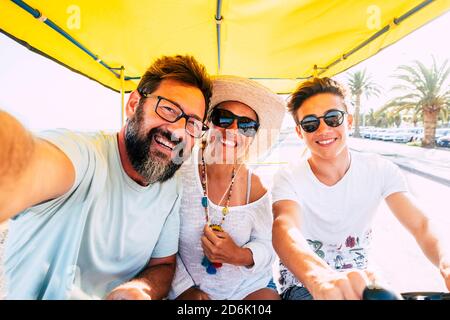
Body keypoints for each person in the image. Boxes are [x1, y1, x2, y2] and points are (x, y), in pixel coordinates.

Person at [0, 55, 212, 300]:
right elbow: (24, 163)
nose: (177, 131)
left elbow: (163, 265)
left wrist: (138, 290)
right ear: (133, 104)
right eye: (168, 109)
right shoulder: (86, 156)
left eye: (193, 124)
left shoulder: (171, 185)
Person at [271, 77, 450, 300]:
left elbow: (421, 224)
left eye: (333, 118)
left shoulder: (379, 169)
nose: (324, 129)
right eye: (310, 123)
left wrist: (445, 259)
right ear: (300, 132)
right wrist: (319, 277)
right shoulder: (288, 177)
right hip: (305, 283)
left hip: (364, 279)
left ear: (349, 121)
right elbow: (285, 228)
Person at [168, 75, 285, 300]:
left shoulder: (255, 186)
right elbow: (158, 241)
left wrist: (239, 255)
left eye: (246, 126)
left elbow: (267, 246)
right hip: (188, 289)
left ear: (252, 137)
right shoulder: (178, 172)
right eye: (224, 118)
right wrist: (183, 288)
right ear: (207, 122)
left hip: (249, 289)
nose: (232, 129)